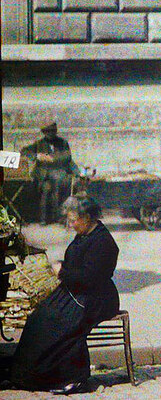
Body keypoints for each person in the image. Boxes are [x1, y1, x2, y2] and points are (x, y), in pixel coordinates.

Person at [9, 194, 120, 394]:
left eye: (73, 220)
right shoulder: (85, 235)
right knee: (39, 318)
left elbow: (90, 277)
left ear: (87, 218)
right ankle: (25, 376)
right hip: (77, 292)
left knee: (62, 322)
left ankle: (74, 378)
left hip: (97, 297)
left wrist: (62, 271)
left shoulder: (103, 241)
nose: (70, 224)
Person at [20, 122, 79, 225]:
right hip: (44, 176)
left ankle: (57, 218)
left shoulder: (63, 143)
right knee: (47, 188)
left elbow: (67, 158)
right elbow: (24, 151)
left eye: (53, 131)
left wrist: (53, 159)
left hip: (59, 174)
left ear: (55, 131)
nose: (50, 134)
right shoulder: (39, 144)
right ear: (44, 132)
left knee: (57, 186)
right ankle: (45, 219)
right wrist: (37, 156)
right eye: (48, 131)